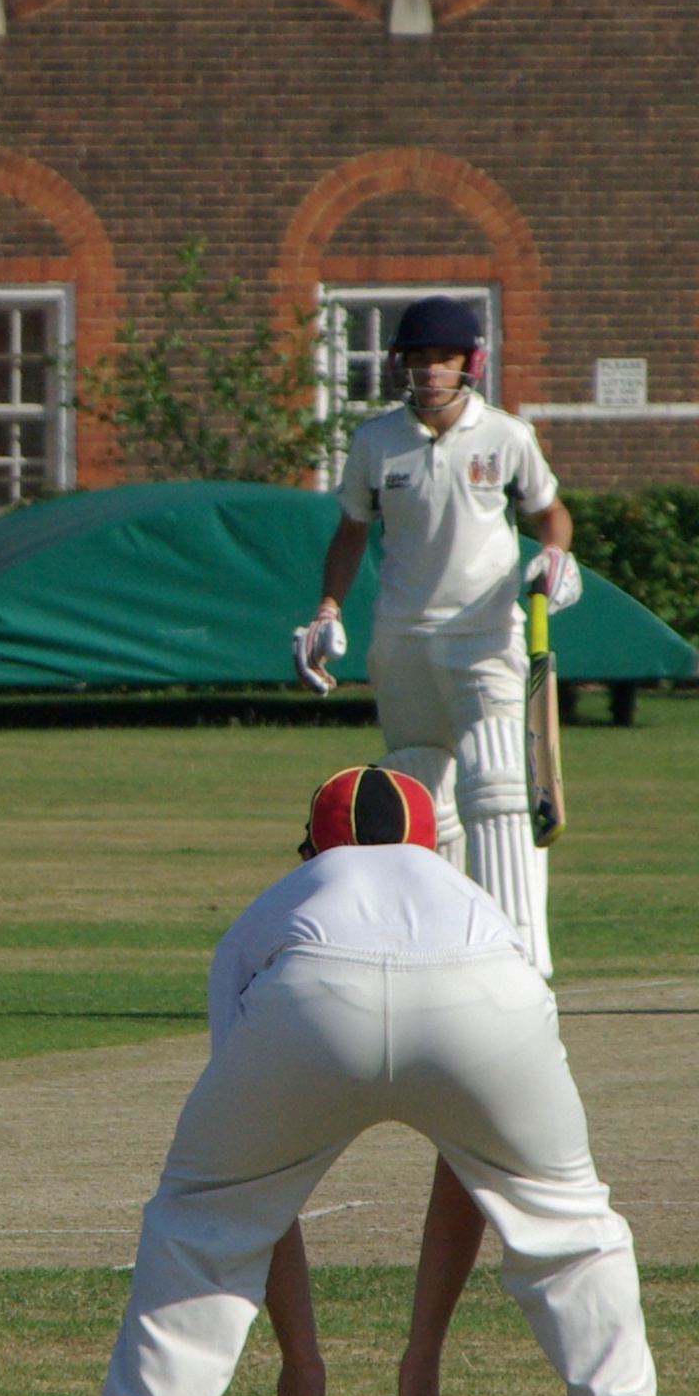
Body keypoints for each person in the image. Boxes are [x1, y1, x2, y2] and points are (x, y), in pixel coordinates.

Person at [71, 766, 699, 1396]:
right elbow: (471, 1171)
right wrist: (423, 1350)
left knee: (206, 1214)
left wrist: (301, 1356)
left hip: (310, 991)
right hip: (483, 995)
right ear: (430, 845)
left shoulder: (268, 914)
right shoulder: (481, 905)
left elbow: (256, 1194)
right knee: (574, 1236)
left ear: (312, 850)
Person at [294, 298, 582, 972]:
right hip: (402, 637)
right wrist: (328, 610)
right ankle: (448, 953)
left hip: (486, 635)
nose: (429, 371)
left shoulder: (506, 436)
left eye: (443, 359)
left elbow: (550, 514)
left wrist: (555, 557)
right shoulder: (375, 441)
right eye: (418, 359)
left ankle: (520, 960)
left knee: (500, 786)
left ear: (470, 364)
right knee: (421, 791)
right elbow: (350, 533)